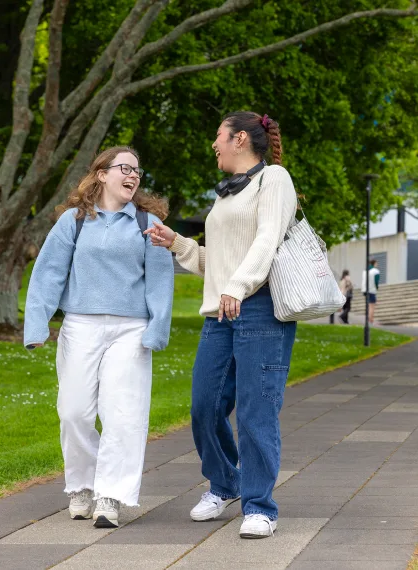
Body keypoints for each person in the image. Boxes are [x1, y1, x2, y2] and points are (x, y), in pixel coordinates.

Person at [145, 111, 297, 539]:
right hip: (221, 310)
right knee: (203, 407)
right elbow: (221, 262)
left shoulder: (275, 181)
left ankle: (259, 506)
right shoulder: (227, 193)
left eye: (218, 136)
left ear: (240, 139)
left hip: (260, 309)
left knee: (255, 411)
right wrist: (177, 243)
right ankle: (225, 484)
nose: (214, 144)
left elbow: (267, 240)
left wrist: (239, 285)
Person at [24, 146, 174, 528]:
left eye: (138, 171)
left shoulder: (148, 222)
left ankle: (111, 494)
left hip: (130, 330)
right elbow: (47, 274)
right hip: (80, 326)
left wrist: (158, 327)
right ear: (102, 174)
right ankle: (82, 486)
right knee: (73, 411)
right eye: (126, 168)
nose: (134, 176)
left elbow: (160, 281)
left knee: (122, 413)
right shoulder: (73, 221)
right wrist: (37, 325)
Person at [361, 259, 380, 324]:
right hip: (371, 290)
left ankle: (368, 318)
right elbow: (376, 281)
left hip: (365, 290)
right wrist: (377, 288)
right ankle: (371, 319)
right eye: (376, 263)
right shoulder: (375, 271)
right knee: (372, 306)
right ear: (374, 263)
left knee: (368, 305)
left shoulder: (365, 271)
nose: (377, 265)